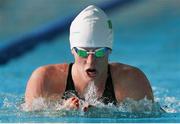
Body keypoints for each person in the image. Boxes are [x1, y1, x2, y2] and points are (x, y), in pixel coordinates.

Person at [24, 5, 154, 111]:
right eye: (83, 53)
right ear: (72, 51)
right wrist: (61, 112)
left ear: (109, 51)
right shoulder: (44, 80)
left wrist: (103, 114)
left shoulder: (132, 81)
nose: (91, 61)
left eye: (99, 52)